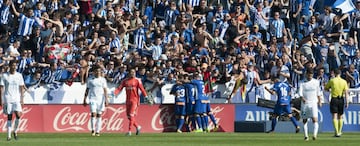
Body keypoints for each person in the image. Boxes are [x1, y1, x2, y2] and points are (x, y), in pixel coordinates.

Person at [114, 68, 148, 136]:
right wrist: (114, 93)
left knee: (131, 115)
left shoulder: (137, 80)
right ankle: (138, 127)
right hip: (128, 100)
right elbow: (119, 88)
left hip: (135, 100)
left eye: (134, 72)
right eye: (131, 72)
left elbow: (142, 89)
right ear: (129, 73)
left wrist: (146, 96)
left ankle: (129, 131)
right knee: (129, 117)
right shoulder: (125, 81)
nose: (133, 73)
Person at [0, 60, 26, 141]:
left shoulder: (19, 75)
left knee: (18, 115)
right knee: (9, 116)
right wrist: (1, 99)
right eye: (13, 65)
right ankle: (9, 135)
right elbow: (1, 88)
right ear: (10, 66)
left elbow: (21, 87)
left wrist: (22, 99)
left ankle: (15, 131)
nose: (14, 67)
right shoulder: (4, 76)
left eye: (15, 66)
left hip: (17, 98)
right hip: (8, 98)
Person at [83, 65, 109, 136]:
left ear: (101, 72)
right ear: (94, 72)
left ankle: (98, 131)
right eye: (96, 71)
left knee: (99, 115)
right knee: (93, 113)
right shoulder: (90, 79)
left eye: (99, 71)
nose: (98, 72)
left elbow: (105, 90)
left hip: (100, 99)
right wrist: (84, 99)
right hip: (92, 98)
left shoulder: (103, 80)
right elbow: (87, 89)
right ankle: (93, 130)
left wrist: (106, 99)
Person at [298, 70, 322, 141]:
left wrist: (320, 101)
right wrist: (302, 98)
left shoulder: (316, 82)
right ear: (306, 74)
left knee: (315, 119)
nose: (310, 76)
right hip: (305, 104)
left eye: (311, 75)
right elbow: (300, 93)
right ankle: (306, 136)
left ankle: (314, 135)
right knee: (305, 120)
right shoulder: (302, 82)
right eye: (309, 74)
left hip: (313, 103)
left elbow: (318, 92)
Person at [325, 69, 349, 137]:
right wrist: (347, 102)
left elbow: (326, 88)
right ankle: (339, 131)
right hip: (341, 99)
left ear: (334, 73)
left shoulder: (332, 80)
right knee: (340, 116)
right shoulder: (344, 81)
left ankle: (336, 132)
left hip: (334, 98)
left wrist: (330, 89)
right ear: (340, 74)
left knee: (334, 115)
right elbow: (346, 92)